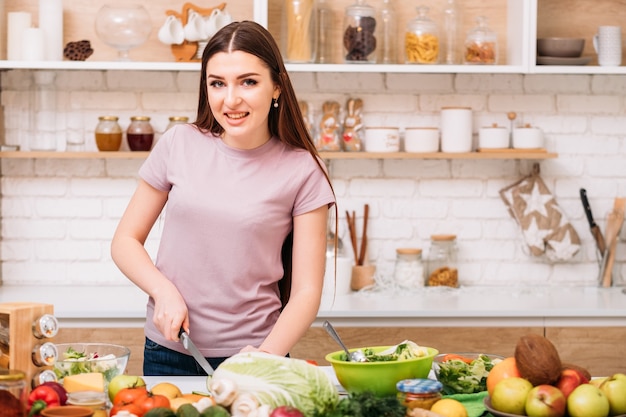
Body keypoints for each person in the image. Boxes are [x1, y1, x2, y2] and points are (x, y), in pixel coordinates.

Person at [111, 20, 336, 376]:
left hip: (258, 355)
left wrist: (264, 358)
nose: (230, 100)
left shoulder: (303, 168)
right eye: (217, 83)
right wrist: (163, 291)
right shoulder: (178, 144)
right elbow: (125, 241)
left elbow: (307, 292)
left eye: (248, 81)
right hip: (169, 351)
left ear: (277, 87)